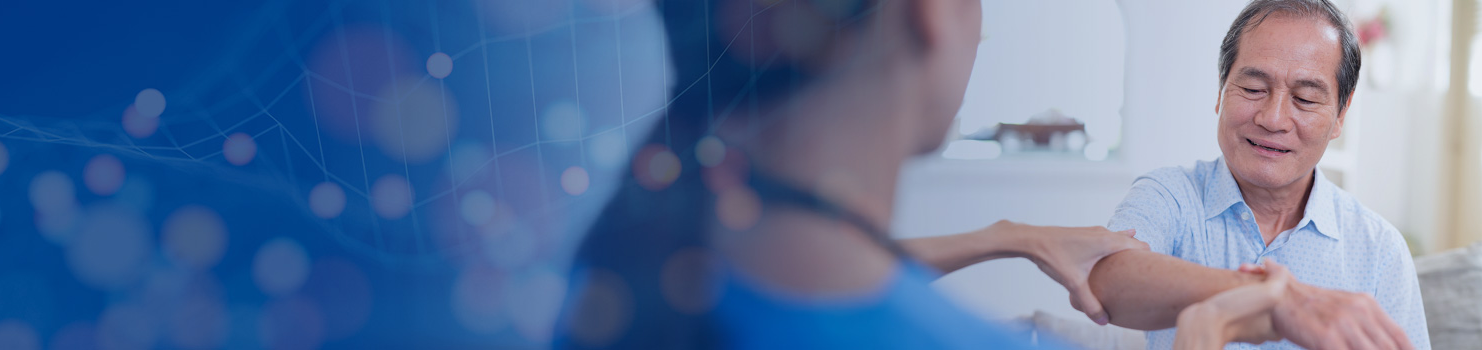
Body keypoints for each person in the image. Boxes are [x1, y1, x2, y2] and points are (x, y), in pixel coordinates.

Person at [558, 0, 1306, 349]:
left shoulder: (608, 271)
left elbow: (846, 282)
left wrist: (1009, 235)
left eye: (1305, 96)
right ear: (930, 12)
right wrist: (1208, 329)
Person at [1087, 0, 1431, 349]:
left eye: (1305, 98)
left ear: (1341, 114)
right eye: (1253, 89)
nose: (1273, 119)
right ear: (1221, 91)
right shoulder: (1169, 196)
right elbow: (1106, 280)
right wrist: (1278, 297)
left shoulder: (1380, 250)